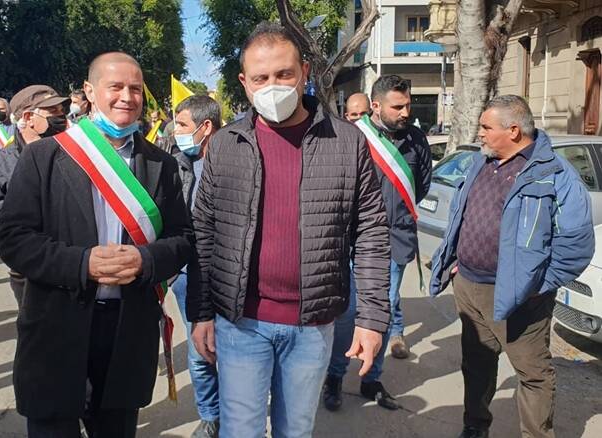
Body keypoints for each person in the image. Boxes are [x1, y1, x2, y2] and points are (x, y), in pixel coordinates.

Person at [186, 22, 391, 438]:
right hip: (240, 323)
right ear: (244, 83)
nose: (273, 86)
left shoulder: (347, 142)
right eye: (260, 78)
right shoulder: (226, 144)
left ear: (304, 71)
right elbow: (204, 233)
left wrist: (372, 319)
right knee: (239, 432)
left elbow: (370, 232)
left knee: (295, 432)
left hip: (312, 327)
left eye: (283, 74)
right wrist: (201, 313)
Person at [0, 52, 194, 438]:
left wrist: (146, 259)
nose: (127, 97)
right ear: (89, 91)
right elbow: (13, 239)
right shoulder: (44, 157)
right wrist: (82, 264)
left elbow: (183, 239)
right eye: (115, 86)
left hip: (126, 334)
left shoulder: (161, 164)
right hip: (57, 330)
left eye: (135, 88)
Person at [431, 95, 594, 438]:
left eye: (486, 127)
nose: (480, 134)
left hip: (521, 297)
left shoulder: (555, 174)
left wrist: (536, 286)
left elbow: (576, 245)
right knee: (476, 364)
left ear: (514, 130)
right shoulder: (480, 162)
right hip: (469, 286)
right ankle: (475, 426)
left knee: (532, 373)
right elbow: (464, 215)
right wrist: (456, 261)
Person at [323, 75, 432, 412]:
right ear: (375, 106)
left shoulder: (416, 140)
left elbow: (421, 185)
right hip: (351, 244)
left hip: (393, 243)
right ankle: (336, 377)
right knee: (348, 315)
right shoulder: (353, 138)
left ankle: (372, 379)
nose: (404, 112)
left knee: (380, 314)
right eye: (397, 106)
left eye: (407, 105)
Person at [0, 85, 69, 306]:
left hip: (74, 266)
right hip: (29, 271)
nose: (61, 116)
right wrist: (24, 239)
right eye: (52, 111)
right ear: (28, 117)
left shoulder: (76, 155)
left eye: (60, 110)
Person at [170, 95, 221, 438]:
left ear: (206, 128)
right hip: (188, 276)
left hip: (227, 274)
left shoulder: (235, 162)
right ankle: (210, 415)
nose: (176, 132)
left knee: (231, 351)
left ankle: (237, 413)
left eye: (182, 125)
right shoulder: (173, 164)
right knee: (199, 352)